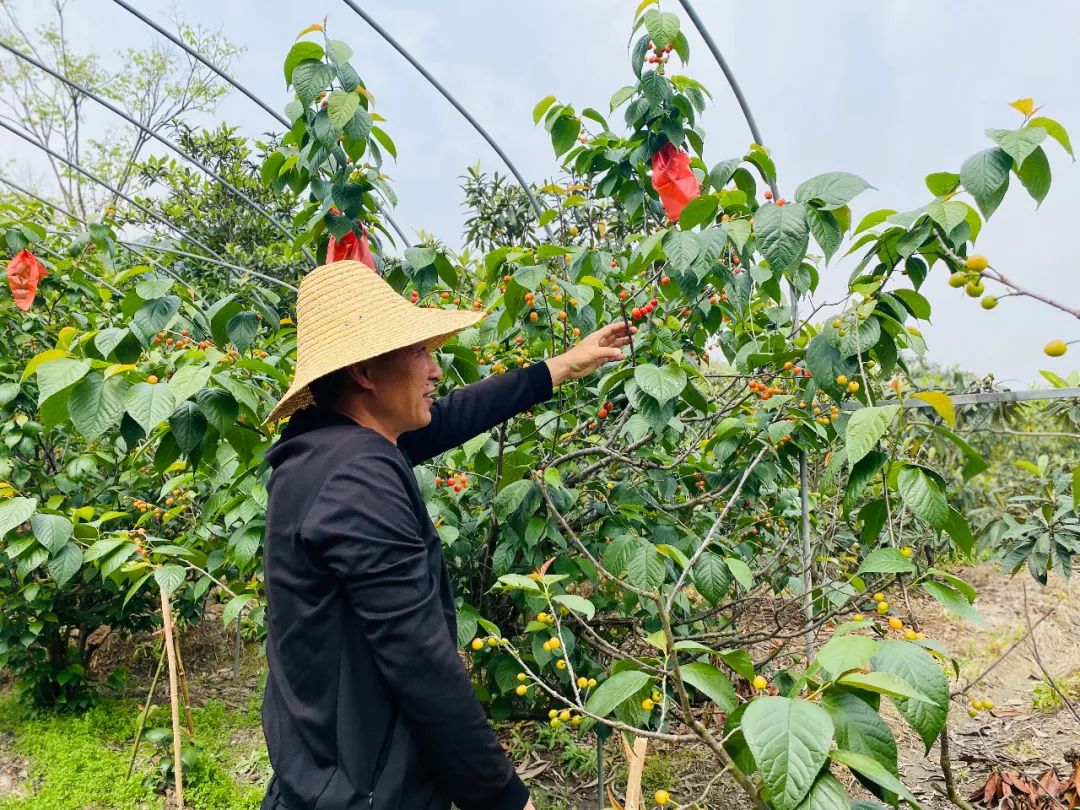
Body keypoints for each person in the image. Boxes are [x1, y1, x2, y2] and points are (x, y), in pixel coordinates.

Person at [258, 260, 635, 810]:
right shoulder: (357, 479)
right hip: (368, 792)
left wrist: (560, 367)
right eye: (418, 353)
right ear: (364, 371)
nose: (435, 371)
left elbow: (453, 415)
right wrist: (504, 797)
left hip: (324, 773)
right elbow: (420, 660)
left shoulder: (321, 450)